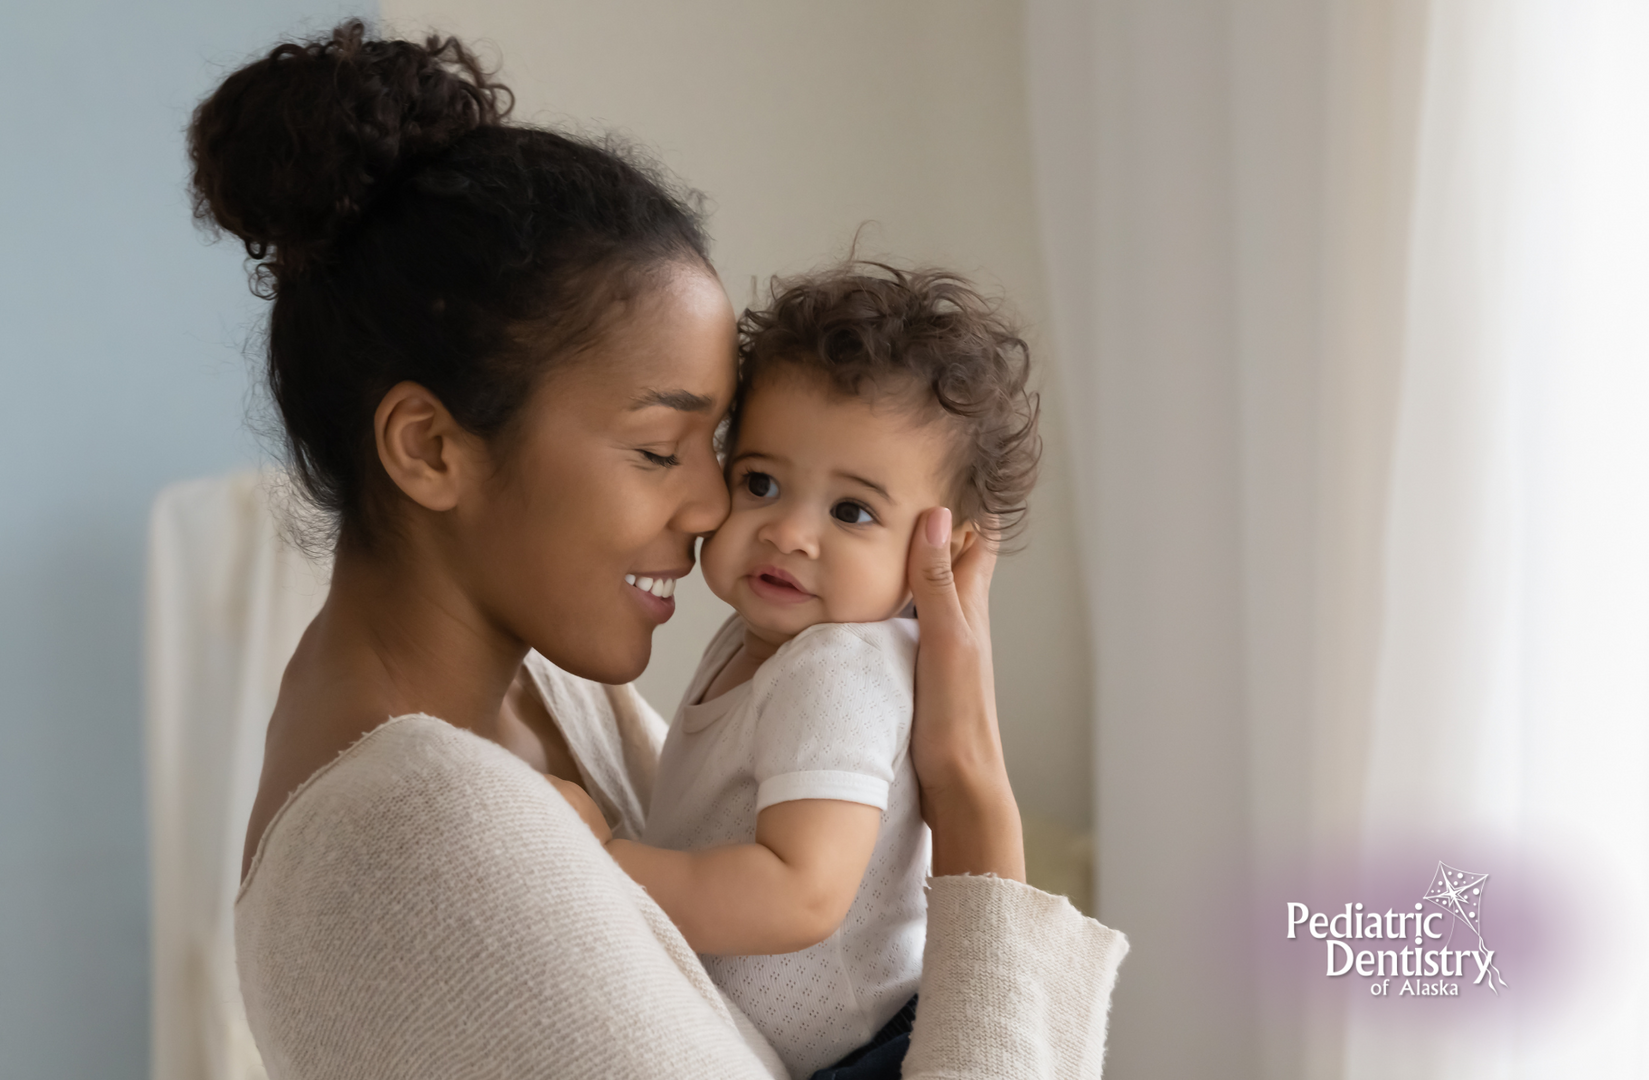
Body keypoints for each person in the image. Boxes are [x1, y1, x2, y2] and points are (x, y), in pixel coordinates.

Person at [187, 20, 1128, 1080]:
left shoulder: (540, 698)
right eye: (657, 448)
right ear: (431, 447)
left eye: (714, 447)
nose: (712, 502)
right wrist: (970, 797)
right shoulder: (421, 834)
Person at [601, 263, 1040, 1080]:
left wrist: (600, 862)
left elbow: (798, 893)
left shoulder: (836, 667)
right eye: (761, 483)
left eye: (851, 511)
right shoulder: (758, 639)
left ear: (943, 550)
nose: (789, 533)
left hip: (863, 1054)